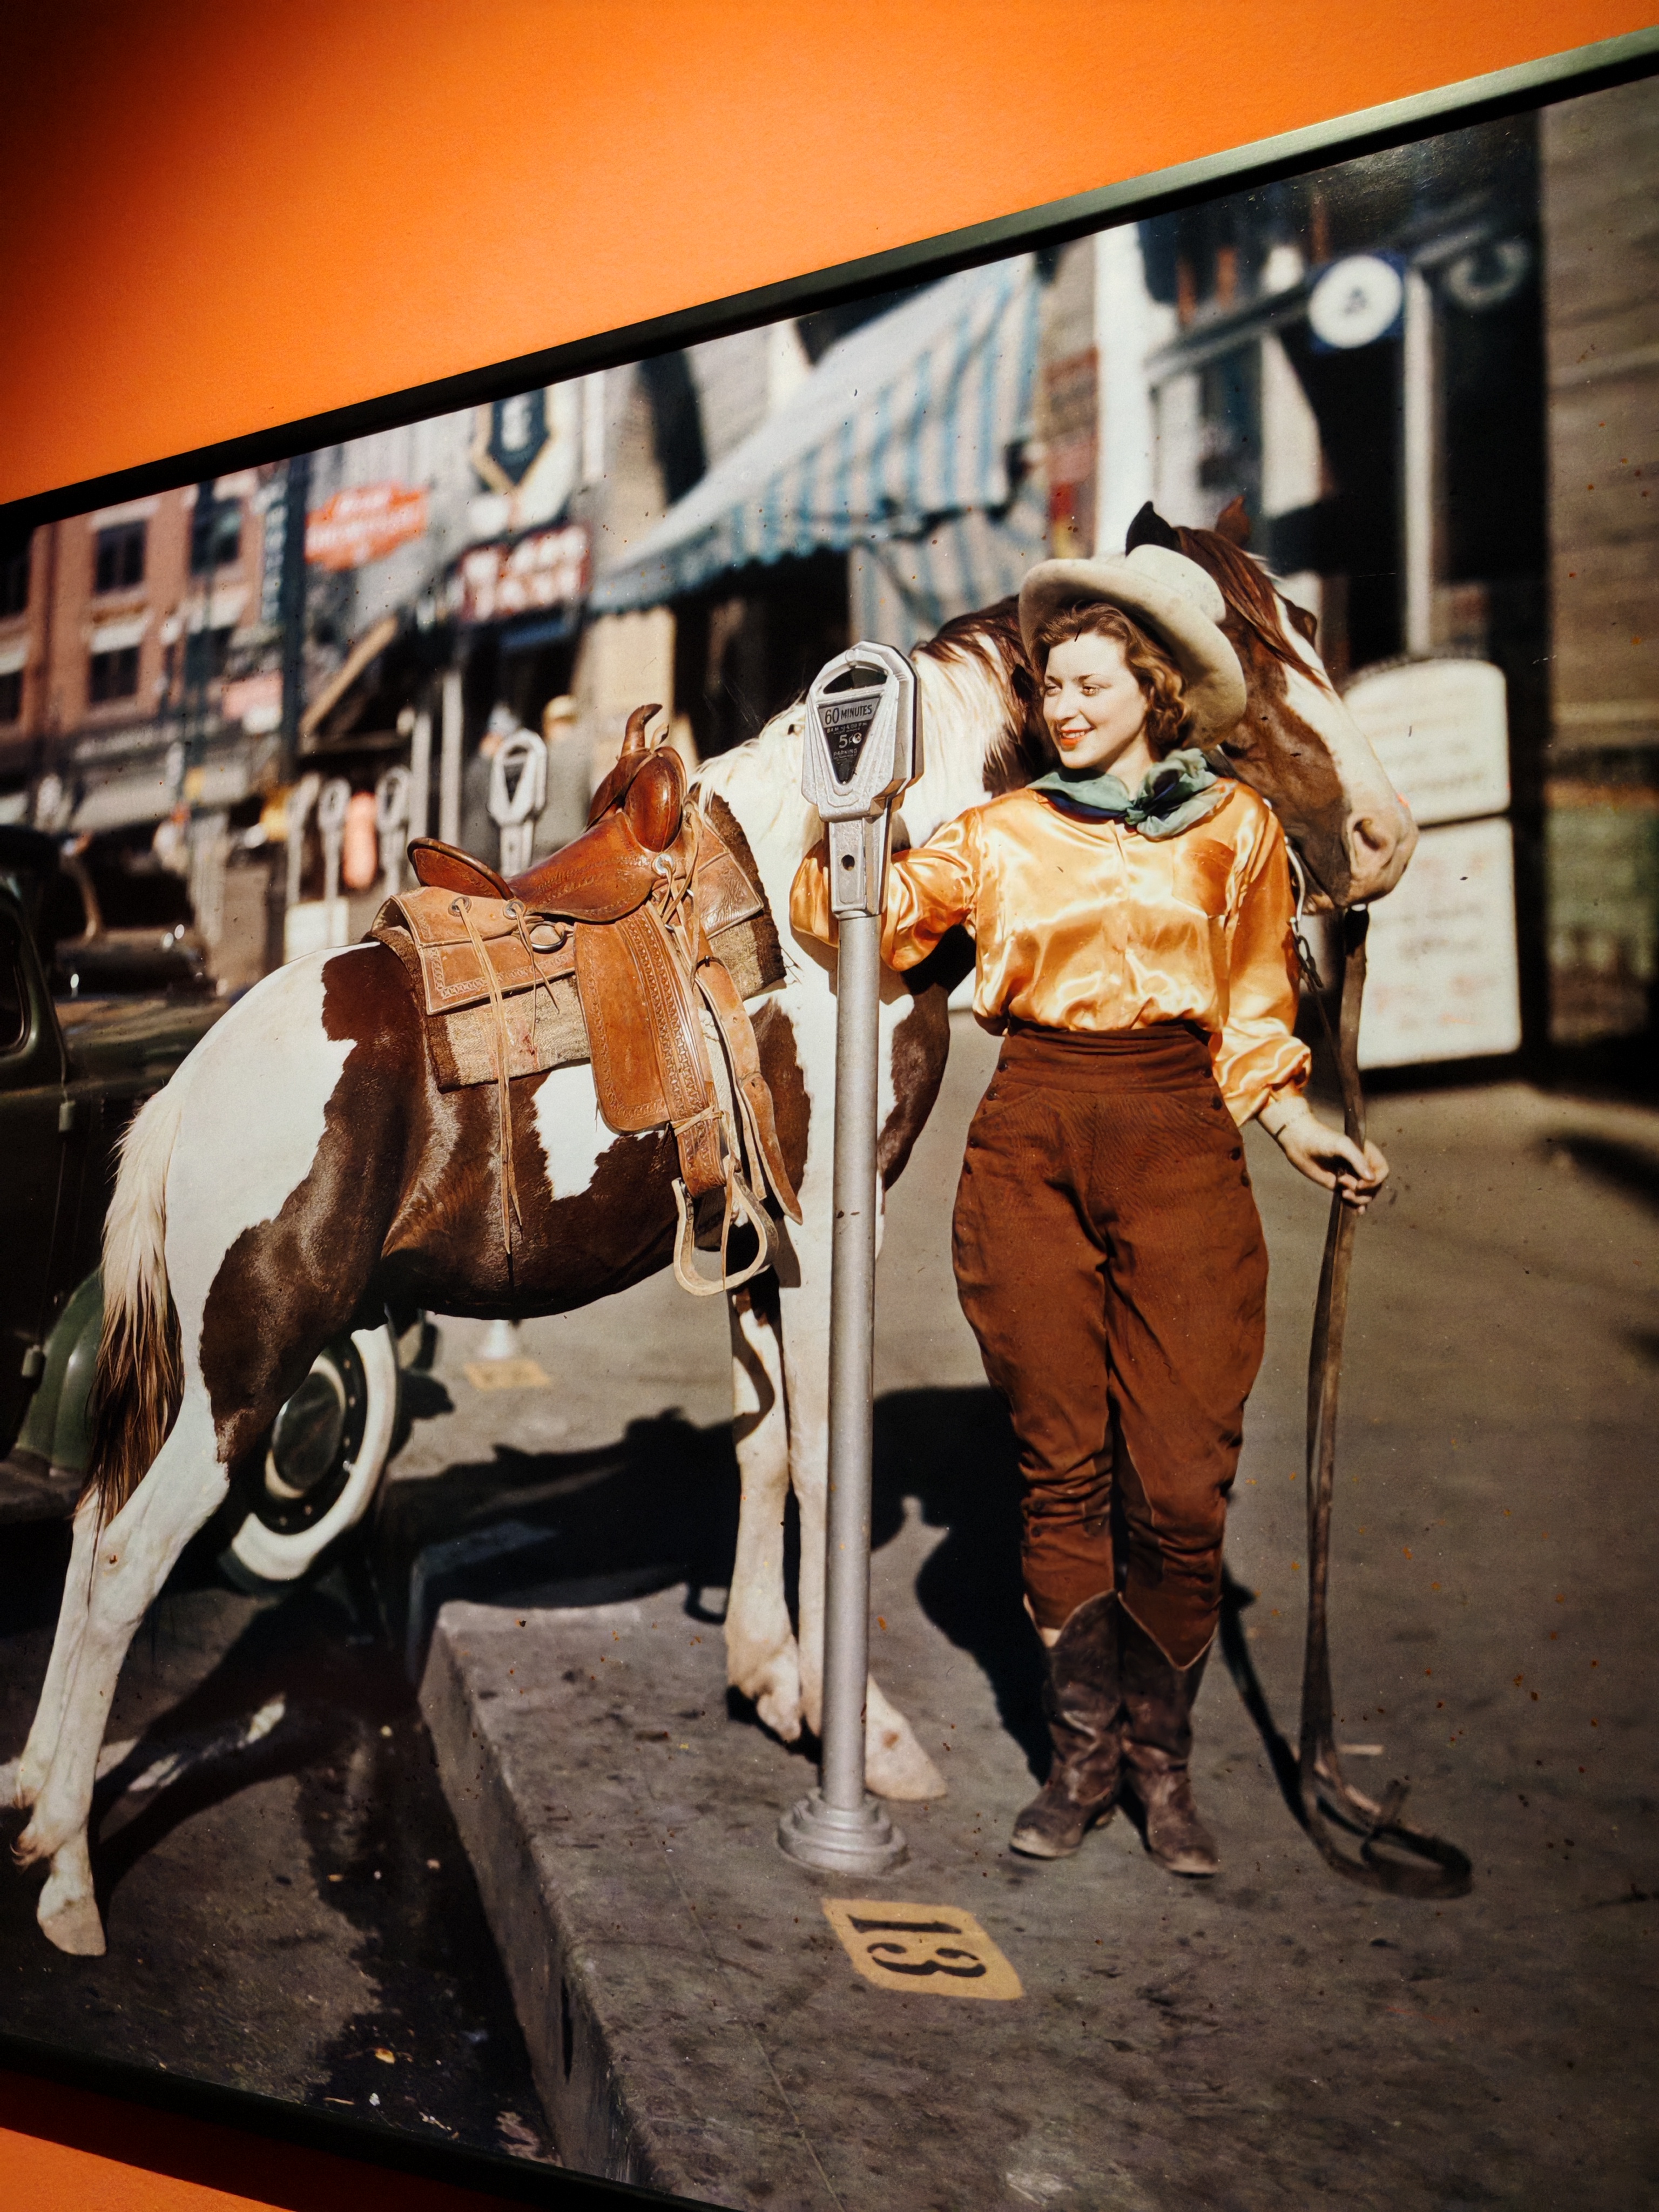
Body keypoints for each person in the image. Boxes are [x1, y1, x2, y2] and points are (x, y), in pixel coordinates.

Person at [791, 545, 1388, 1878]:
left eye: (1088, 682)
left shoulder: (1237, 833)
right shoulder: (997, 836)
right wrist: (845, 816)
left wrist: (1298, 1123)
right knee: (1058, 1468)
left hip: (1181, 1143)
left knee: (1179, 1482)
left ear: (1154, 691)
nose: (1060, 704)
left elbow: (1252, 1011)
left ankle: (1165, 1764)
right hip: (1030, 1148)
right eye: (1051, 683)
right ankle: (1083, 1761)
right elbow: (857, 922)